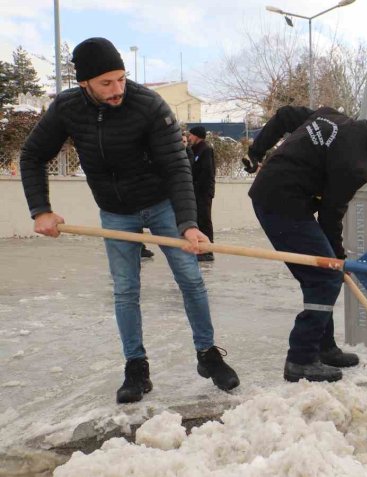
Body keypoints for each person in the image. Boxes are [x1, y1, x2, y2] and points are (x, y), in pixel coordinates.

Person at [19, 37, 239, 404]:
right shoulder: (67, 108)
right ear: (84, 82)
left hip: (162, 204)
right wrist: (40, 209)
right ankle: (136, 367)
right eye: (106, 83)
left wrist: (188, 223)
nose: (117, 89)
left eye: (121, 78)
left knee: (190, 278)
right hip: (116, 212)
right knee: (125, 289)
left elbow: (177, 166)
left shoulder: (149, 105)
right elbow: (32, 155)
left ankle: (207, 354)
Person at [247, 103, 367, 383]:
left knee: (324, 275)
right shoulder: (355, 165)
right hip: (281, 203)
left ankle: (324, 347)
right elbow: (331, 216)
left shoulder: (330, 115)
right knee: (324, 277)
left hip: (277, 194)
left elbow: (286, 115)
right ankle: (301, 359)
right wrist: (337, 258)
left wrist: (256, 150)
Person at [187, 126, 216, 262]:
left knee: (204, 220)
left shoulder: (206, 150)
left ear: (197, 136)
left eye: (191, 135)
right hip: (194, 192)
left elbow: (206, 172)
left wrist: (198, 187)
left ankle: (208, 250)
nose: (189, 137)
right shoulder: (194, 150)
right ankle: (198, 248)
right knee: (197, 220)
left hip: (203, 192)